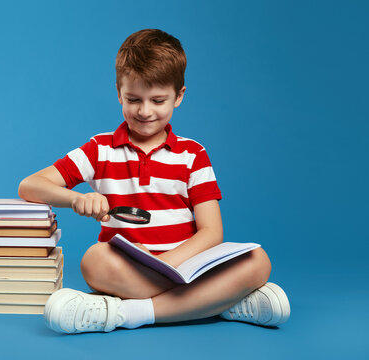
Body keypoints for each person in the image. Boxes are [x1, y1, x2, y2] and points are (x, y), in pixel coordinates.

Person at [18, 29, 290, 334]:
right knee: (94, 261)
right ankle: (217, 301)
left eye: (158, 100)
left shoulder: (193, 154)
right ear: (119, 93)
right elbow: (29, 186)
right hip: (132, 270)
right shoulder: (100, 149)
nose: (145, 111)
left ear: (179, 96)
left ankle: (126, 312)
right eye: (133, 99)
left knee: (258, 260)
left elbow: (212, 231)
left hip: (188, 265)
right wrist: (75, 198)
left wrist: (170, 263)